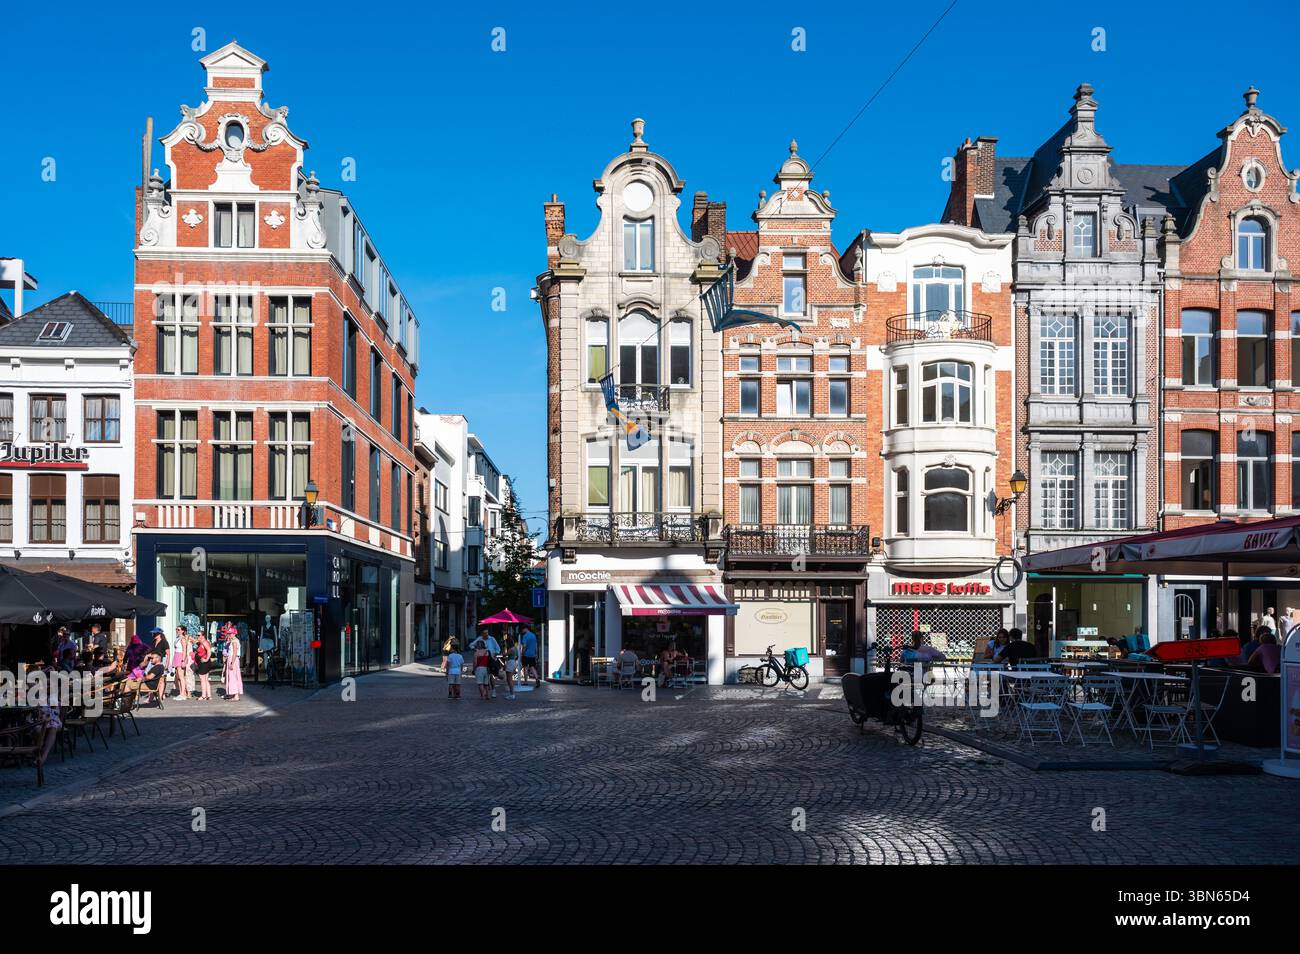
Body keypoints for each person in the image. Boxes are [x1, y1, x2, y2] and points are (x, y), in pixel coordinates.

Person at [222, 624, 244, 702]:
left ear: (234, 633)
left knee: (233, 677)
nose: (229, 635)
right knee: (233, 676)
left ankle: (236, 695)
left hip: (233, 659)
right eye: (229, 633)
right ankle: (233, 693)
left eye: (230, 633)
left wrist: (232, 663)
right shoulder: (233, 641)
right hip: (232, 659)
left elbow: (234, 653)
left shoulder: (234, 641)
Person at [172, 626, 193, 699]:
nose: (177, 631)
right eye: (176, 629)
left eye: (178, 630)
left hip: (180, 656)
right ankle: (181, 692)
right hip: (177, 656)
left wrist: (183, 660)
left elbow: (184, 650)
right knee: (178, 676)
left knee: (181, 677)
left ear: (182, 631)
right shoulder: (178, 638)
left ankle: (183, 694)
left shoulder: (183, 639)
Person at [194, 633, 216, 701]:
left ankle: (203, 695)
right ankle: (208, 695)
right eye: (197, 635)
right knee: (206, 680)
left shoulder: (204, 642)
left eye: (199, 635)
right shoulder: (202, 642)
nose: (197, 636)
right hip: (204, 663)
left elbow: (209, 650)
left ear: (203, 636)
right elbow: (194, 641)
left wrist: (206, 659)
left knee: (202, 680)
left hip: (204, 663)